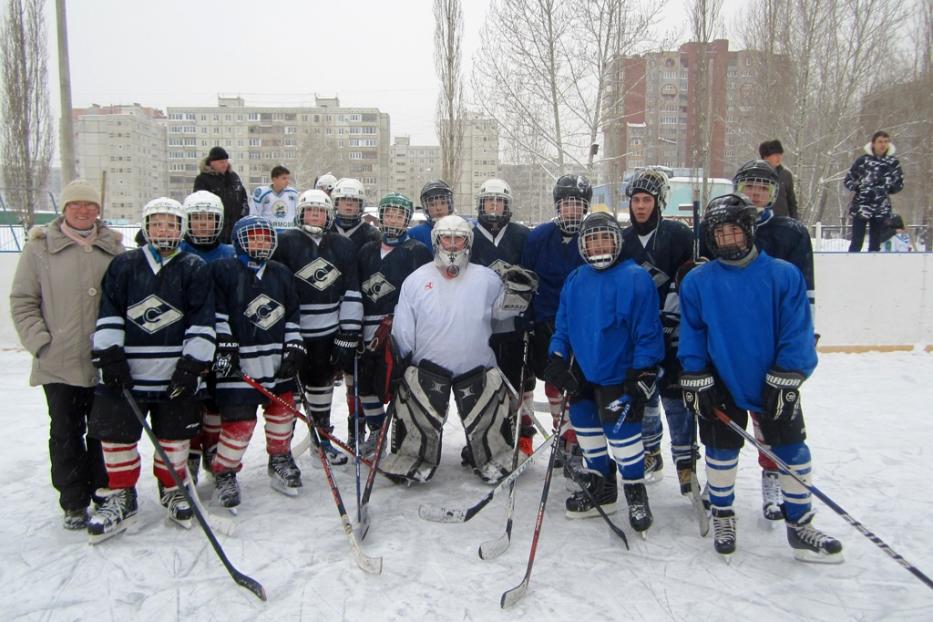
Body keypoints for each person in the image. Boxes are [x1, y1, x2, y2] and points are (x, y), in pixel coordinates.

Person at [678, 193, 843, 563]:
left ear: (749, 230)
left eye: (735, 231)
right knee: (720, 453)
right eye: (720, 234)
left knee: (793, 451)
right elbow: (693, 332)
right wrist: (694, 371)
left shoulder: (784, 275)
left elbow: (797, 331)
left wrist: (789, 374)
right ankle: (723, 514)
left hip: (773, 381)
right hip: (721, 380)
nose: (728, 240)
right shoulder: (698, 281)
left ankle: (800, 524)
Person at [85, 197, 215, 543]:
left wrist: (192, 365)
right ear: (146, 227)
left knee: (174, 438)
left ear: (181, 228)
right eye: (158, 223)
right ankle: (122, 496)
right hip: (128, 373)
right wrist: (110, 355)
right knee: (116, 437)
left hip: (174, 371)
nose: (164, 230)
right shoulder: (124, 265)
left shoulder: (194, 267)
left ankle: (173, 489)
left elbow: (202, 319)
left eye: (171, 224)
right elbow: (109, 312)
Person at [383, 215, 534, 484]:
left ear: (468, 242)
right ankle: (411, 456)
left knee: (489, 424)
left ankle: (492, 454)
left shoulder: (486, 278)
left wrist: (517, 292)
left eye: (459, 238)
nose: (452, 245)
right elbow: (403, 328)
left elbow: (503, 314)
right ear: (436, 241)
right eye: (446, 238)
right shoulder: (416, 280)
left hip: (477, 368)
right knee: (417, 419)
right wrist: (401, 364)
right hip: (426, 370)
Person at [10, 179, 125, 530]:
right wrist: (41, 342)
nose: (84, 210)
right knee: (65, 431)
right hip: (58, 362)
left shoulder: (114, 248)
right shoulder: (40, 248)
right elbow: (23, 301)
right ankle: (73, 500)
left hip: (103, 361)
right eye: (76, 205)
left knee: (104, 431)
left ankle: (105, 492)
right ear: (64, 209)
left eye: (90, 205)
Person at [544, 211, 664, 535]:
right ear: (583, 245)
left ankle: (635, 491)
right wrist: (556, 357)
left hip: (619, 375)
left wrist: (643, 369)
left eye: (604, 237)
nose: (598, 245)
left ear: (617, 240)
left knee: (623, 439)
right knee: (587, 432)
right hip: (584, 374)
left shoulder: (635, 277)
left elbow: (648, 332)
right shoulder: (576, 279)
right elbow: (564, 328)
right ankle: (602, 487)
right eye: (591, 239)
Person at [210, 217, 306, 506]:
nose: (260, 244)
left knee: (282, 414)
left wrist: (294, 345)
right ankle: (224, 471)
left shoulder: (280, 272)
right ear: (240, 240)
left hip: (275, 361)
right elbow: (216, 312)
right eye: (254, 238)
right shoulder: (223, 270)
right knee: (239, 422)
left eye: (265, 238)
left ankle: (279, 457)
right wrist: (223, 345)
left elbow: (291, 314)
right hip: (240, 364)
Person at [272, 189, 363, 465]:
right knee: (291, 395)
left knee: (322, 388)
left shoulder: (341, 245)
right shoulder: (285, 242)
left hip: (327, 332)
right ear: (300, 212)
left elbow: (351, 291)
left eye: (321, 211)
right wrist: (286, 332)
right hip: (295, 333)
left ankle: (321, 440)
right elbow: (276, 288)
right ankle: (282, 452)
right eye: (310, 210)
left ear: (328, 214)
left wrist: (347, 331)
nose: (316, 215)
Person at [620, 169, 696, 492]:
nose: (640, 206)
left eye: (646, 200)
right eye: (635, 200)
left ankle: (686, 462)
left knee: (676, 398)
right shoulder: (622, 241)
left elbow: (691, 278)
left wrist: (672, 314)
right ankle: (651, 451)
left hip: (675, 334)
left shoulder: (679, 235)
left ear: (658, 202)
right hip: (639, 337)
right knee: (646, 395)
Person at [354, 193, 432, 455]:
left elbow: (424, 294)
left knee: (400, 382)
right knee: (367, 384)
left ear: (407, 219)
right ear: (381, 216)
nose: (394, 219)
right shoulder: (366, 250)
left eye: (400, 215)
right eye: (390, 213)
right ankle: (376, 431)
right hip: (368, 329)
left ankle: (401, 431)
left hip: (401, 328)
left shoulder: (417, 251)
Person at [520, 175, 589, 468]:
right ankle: (560, 435)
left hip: (582, 322)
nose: (571, 211)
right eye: (566, 205)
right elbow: (525, 278)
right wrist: (529, 318)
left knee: (578, 384)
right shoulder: (539, 237)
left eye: (577, 205)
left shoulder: (593, 234)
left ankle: (575, 439)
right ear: (558, 206)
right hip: (546, 320)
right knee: (552, 382)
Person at [469, 178, 537, 456]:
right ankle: (486, 438)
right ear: (481, 205)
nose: (494, 207)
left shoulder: (522, 236)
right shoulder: (470, 236)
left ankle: (523, 435)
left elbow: (534, 276)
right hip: (481, 326)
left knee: (520, 381)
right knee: (482, 385)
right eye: (489, 201)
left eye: (500, 201)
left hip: (514, 326)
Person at [177, 191, 235, 482]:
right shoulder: (177, 251)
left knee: (216, 399)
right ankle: (191, 452)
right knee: (189, 400)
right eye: (197, 219)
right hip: (185, 340)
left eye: (209, 219)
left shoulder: (229, 253)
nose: (202, 224)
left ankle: (214, 449)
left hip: (221, 337)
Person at [330, 177, 381, 443]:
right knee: (327, 372)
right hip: (327, 308)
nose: (349, 206)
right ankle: (323, 434)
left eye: (354, 201)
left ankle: (357, 426)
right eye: (344, 201)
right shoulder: (325, 229)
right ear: (335, 203)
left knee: (356, 373)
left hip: (358, 307)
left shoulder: (370, 234)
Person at [844, 131, 904, 252]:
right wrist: (860, 186)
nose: (883, 145)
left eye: (886, 142)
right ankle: (852, 266)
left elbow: (899, 183)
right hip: (861, 207)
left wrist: (887, 188)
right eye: (880, 142)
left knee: (876, 243)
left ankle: (873, 267)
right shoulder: (862, 161)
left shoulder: (892, 163)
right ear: (873, 144)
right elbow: (848, 180)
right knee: (856, 242)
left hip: (881, 208)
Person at [193, 146, 250, 243]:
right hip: (215, 229)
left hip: (235, 227)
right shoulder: (203, 179)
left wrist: (243, 217)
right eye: (221, 162)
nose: (225, 165)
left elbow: (243, 199)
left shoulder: (234, 177)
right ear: (212, 163)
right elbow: (199, 205)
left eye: (226, 161)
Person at [408, 180, 454, 250]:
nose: (438, 208)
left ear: (449, 205)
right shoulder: (415, 234)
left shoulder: (462, 230)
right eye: (432, 204)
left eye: (443, 203)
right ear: (426, 208)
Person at [758, 140, 798, 220]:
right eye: (776, 155)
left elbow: (791, 202)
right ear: (765, 156)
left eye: (780, 154)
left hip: (782, 221)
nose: (779, 158)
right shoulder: (755, 173)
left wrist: (795, 220)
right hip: (761, 221)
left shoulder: (786, 175)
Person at [251, 165, 299, 231]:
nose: (287, 181)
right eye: (284, 178)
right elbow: (254, 215)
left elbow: (297, 214)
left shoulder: (293, 193)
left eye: (288, 178)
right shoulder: (262, 193)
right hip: (269, 233)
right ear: (274, 179)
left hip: (288, 232)